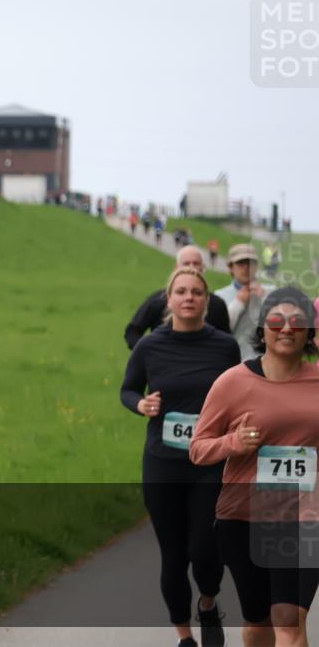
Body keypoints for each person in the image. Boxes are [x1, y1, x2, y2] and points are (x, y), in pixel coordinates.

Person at [190, 287, 319, 647]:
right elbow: (198, 449)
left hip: (305, 518)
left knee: (289, 624)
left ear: (310, 331)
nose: (287, 328)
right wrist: (234, 443)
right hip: (243, 517)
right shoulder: (232, 382)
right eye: (277, 320)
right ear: (262, 329)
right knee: (259, 623)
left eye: (299, 322)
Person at [121, 266, 241, 647]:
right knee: (173, 556)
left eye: (197, 292)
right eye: (181, 292)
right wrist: (141, 403)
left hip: (210, 463)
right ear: (168, 301)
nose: (189, 298)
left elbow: (237, 395)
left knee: (205, 549)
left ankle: (207, 603)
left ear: (207, 301)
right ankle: (184, 636)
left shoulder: (224, 346)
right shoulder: (150, 346)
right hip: (162, 462)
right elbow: (127, 390)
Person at [125, 245, 232, 350]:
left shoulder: (217, 304)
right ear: (176, 267)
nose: (191, 267)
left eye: (196, 263)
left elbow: (226, 341)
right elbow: (132, 331)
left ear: (203, 267)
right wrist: (150, 354)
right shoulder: (158, 300)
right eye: (186, 263)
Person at [216, 244, 276, 361]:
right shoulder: (220, 295)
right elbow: (220, 330)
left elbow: (281, 326)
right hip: (232, 361)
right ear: (231, 267)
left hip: (266, 362)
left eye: (250, 263)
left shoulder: (272, 291)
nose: (246, 267)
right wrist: (239, 303)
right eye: (240, 263)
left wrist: (264, 299)